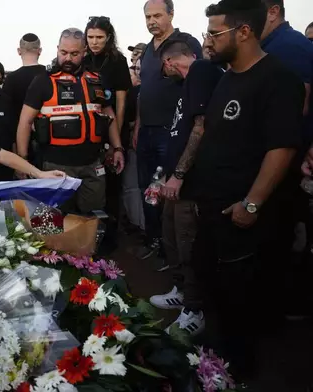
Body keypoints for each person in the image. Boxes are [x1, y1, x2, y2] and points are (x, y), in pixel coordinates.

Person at [183, 0, 303, 377]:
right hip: (212, 211)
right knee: (212, 292)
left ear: (244, 32)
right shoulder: (227, 77)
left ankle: (238, 373)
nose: (208, 41)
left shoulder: (277, 78)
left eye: (215, 33)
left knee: (240, 304)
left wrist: (251, 204)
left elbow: (281, 148)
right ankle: (214, 365)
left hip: (243, 216)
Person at [148, 40, 224, 336]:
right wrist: (165, 175)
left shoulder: (201, 70)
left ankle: (195, 308)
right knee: (171, 238)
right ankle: (182, 292)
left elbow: (201, 126)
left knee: (188, 243)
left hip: (192, 182)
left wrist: (178, 174)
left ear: (168, 63)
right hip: (175, 179)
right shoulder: (188, 84)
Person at [16, 28, 125, 215]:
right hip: (55, 166)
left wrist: (117, 148)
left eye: (74, 54)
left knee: (94, 219)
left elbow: (109, 115)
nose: (68, 58)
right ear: (57, 49)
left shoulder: (97, 80)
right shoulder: (43, 81)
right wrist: (23, 161)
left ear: (84, 52)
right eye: (63, 53)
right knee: (54, 220)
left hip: (92, 164)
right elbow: (25, 122)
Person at [133, 0, 203, 260]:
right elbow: (143, 91)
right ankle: (153, 241)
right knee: (146, 189)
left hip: (172, 132)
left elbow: (196, 84)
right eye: (148, 16)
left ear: (171, 14)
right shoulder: (147, 52)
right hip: (147, 131)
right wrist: (138, 124)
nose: (152, 21)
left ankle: (171, 251)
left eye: (157, 15)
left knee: (169, 192)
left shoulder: (186, 43)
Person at [260, 0, 313, 320]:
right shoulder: (273, 44)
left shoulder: (290, 46)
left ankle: (284, 306)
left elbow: (298, 107)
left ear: (272, 11)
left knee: (284, 233)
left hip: (289, 160)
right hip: (279, 157)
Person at [83, 16, 132, 253]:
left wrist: (116, 140)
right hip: (86, 134)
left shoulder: (118, 61)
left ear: (109, 37)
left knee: (112, 187)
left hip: (111, 131)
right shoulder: (82, 59)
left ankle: (110, 241)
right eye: (90, 37)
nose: (94, 42)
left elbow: (121, 103)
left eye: (99, 37)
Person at [2, 33, 47, 129]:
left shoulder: (11, 79)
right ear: (40, 51)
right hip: (49, 133)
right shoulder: (49, 74)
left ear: (19, 51)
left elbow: (7, 112)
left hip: (20, 132)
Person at [121, 60, 145, 235]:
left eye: (139, 68)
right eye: (135, 68)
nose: (137, 72)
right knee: (132, 188)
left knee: (137, 187)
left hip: (144, 146)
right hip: (132, 145)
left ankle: (141, 226)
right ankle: (137, 224)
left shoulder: (143, 92)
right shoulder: (133, 92)